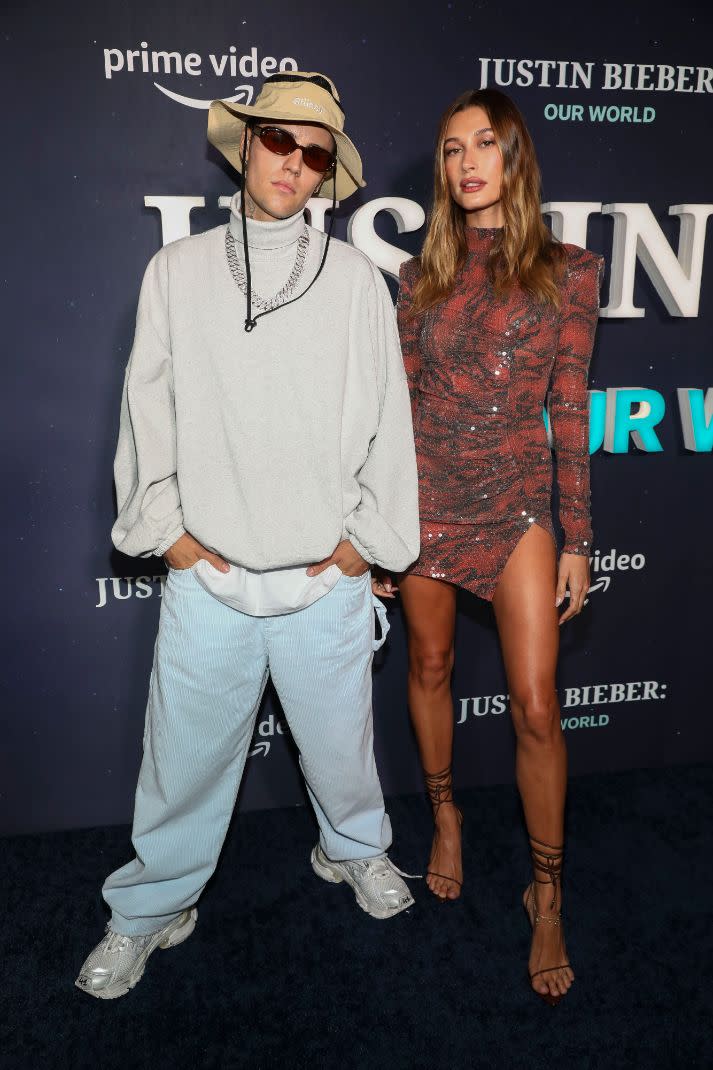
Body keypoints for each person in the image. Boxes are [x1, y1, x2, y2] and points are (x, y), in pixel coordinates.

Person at [75, 71, 420, 1001]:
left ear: (325, 173)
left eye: (315, 155)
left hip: (325, 577)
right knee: (180, 763)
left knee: (343, 748)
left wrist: (363, 548)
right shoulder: (176, 272)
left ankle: (353, 850)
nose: (294, 164)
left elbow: (390, 419)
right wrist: (171, 540)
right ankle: (149, 910)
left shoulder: (355, 281)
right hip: (210, 578)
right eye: (280, 141)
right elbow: (145, 410)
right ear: (246, 144)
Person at [394, 88, 603, 1006]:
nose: (466, 162)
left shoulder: (570, 270)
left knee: (533, 705)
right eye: (450, 150)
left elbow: (568, 411)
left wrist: (577, 538)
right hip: (423, 497)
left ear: (515, 159)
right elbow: (396, 412)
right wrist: (376, 522)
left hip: (517, 501)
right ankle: (445, 817)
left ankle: (546, 892)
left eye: (484, 144)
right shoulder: (418, 280)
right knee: (430, 663)